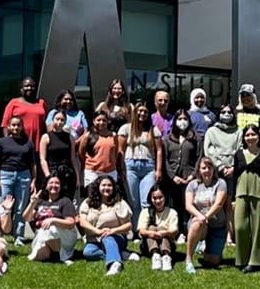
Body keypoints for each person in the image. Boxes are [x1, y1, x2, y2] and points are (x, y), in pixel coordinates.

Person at [227, 125, 260, 273]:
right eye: (247, 135)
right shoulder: (239, 154)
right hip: (241, 191)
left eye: (253, 134)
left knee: (258, 228)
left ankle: (256, 261)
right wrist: (233, 197)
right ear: (244, 138)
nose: (250, 137)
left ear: (258, 136)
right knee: (240, 227)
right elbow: (235, 176)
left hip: (259, 191)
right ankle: (242, 259)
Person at [118, 100, 163, 229]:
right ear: (135, 113)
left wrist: (158, 170)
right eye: (140, 111)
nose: (142, 114)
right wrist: (121, 169)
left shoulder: (153, 130)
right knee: (133, 201)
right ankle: (134, 229)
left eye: (145, 112)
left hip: (148, 166)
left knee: (146, 201)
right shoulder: (126, 129)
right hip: (130, 166)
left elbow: (159, 150)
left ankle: (144, 228)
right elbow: (120, 150)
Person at [79, 177, 136, 276]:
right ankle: (120, 254)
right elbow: (82, 222)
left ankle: (115, 263)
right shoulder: (88, 202)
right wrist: (97, 231)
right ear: (98, 187)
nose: (107, 188)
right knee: (88, 252)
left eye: (109, 185)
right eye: (104, 185)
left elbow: (128, 225)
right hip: (94, 239)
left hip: (116, 237)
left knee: (107, 237)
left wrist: (113, 230)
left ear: (114, 188)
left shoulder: (119, 203)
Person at [0, 116, 37, 245]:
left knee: (20, 207)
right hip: (5, 175)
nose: (16, 128)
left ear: (22, 127)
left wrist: (34, 180)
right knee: (1, 206)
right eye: (13, 125)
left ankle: (19, 236)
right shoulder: (2, 142)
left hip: (24, 176)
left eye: (18, 125)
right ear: (9, 127)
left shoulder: (28, 143)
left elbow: (33, 163)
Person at [184, 157, 227, 274]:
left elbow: (218, 204)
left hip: (217, 225)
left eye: (209, 167)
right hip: (199, 223)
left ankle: (202, 247)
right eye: (204, 168)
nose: (207, 170)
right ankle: (188, 259)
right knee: (198, 224)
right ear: (199, 170)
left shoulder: (221, 183)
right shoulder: (193, 185)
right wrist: (201, 216)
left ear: (214, 170)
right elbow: (188, 205)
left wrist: (206, 216)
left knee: (213, 261)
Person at [24, 175, 79, 265]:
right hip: (42, 234)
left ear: (61, 187)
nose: (54, 185)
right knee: (39, 256)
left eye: (57, 183)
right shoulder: (40, 201)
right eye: (51, 183)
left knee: (51, 228)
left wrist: (53, 220)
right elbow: (26, 218)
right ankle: (55, 254)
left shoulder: (65, 201)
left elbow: (71, 223)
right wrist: (32, 204)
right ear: (46, 186)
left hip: (65, 235)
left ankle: (64, 257)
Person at [203, 104, 239, 244]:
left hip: (232, 172)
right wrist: (221, 166)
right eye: (223, 112)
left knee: (229, 205)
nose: (226, 114)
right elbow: (209, 150)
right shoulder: (212, 131)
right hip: (216, 172)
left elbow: (240, 149)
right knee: (213, 203)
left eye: (229, 112)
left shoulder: (238, 132)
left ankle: (230, 236)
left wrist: (233, 167)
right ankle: (209, 235)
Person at [163, 109, 198, 244]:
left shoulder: (194, 138)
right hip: (173, 178)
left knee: (187, 205)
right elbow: (164, 160)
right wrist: (172, 176)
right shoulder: (168, 139)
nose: (182, 122)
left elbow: (199, 157)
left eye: (185, 119)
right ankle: (175, 231)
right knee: (174, 205)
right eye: (179, 119)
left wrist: (193, 175)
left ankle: (186, 231)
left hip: (188, 176)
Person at [78, 112, 122, 197]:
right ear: (94, 121)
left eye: (104, 120)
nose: (101, 122)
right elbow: (81, 153)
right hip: (92, 172)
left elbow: (116, 152)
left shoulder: (113, 135)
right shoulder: (87, 136)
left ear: (108, 122)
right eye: (98, 120)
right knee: (92, 196)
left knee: (110, 197)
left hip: (110, 171)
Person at [137, 185, 178, 271]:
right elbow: (141, 230)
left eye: (160, 198)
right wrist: (151, 233)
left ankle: (166, 257)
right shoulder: (145, 212)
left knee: (162, 228)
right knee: (151, 227)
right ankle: (155, 255)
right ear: (150, 199)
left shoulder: (172, 212)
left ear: (165, 197)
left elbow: (174, 231)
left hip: (167, 243)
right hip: (148, 244)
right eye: (154, 198)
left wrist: (164, 233)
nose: (158, 201)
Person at [1, 77, 47, 151]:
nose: (29, 88)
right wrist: (7, 143)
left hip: (37, 145)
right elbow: (5, 125)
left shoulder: (41, 103)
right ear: (21, 89)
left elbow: (45, 124)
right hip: (18, 144)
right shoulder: (13, 103)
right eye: (26, 86)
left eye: (32, 86)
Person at [41, 111, 77, 200]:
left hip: (67, 173)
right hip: (52, 172)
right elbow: (42, 159)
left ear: (65, 122)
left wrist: (77, 177)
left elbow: (73, 158)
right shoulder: (46, 137)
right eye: (57, 119)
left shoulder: (69, 137)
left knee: (67, 200)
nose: (59, 122)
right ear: (52, 120)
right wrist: (48, 176)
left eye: (62, 120)